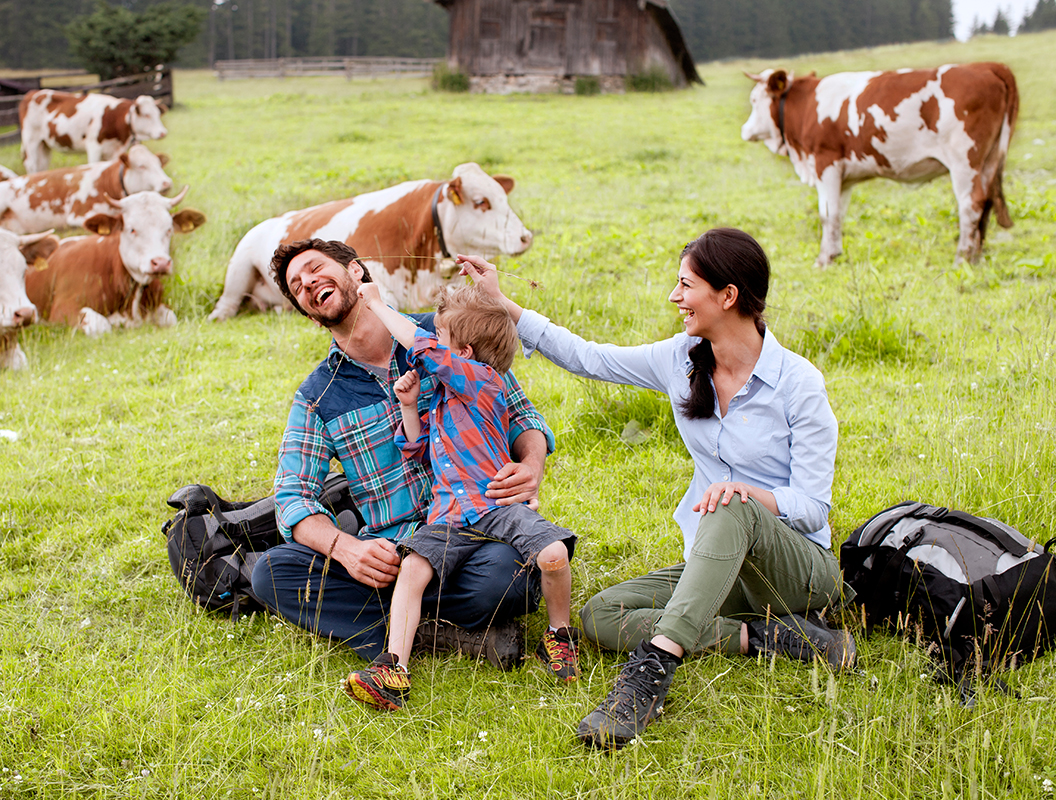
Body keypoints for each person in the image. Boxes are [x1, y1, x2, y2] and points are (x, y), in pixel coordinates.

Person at [459, 227, 856, 750]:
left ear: (727, 296)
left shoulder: (799, 385)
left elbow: (812, 508)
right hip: (714, 560)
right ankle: (776, 638)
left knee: (730, 503)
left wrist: (747, 493)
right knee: (601, 616)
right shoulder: (681, 358)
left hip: (796, 568)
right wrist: (505, 305)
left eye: (686, 285)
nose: (675, 297)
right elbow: (590, 358)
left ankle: (650, 674)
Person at [249, 238, 556, 669]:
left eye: (315, 269)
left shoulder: (443, 334)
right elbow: (292, 497)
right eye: (297, 286)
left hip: (472, 529)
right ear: (310, 314)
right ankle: (445, 631)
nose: (307, 283)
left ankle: (404, 629)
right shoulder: (318, 396)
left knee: (513, 573)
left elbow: (522, 417)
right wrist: (345, 549)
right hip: (391, 553)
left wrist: (531, 465)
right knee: (270, 573)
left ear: (355, 271)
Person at [341, 280, 580, 711]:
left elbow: (423, 348)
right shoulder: (445, 400)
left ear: (463, 354)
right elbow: (417, 449)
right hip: (448, 513)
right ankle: (393, 668)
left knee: (552, 555)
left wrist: (376, 303)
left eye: (443, 337)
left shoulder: (486, 382)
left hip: (493, 504)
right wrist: (410, 407)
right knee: (412, 568)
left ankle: (559, 634)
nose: (433, 341)